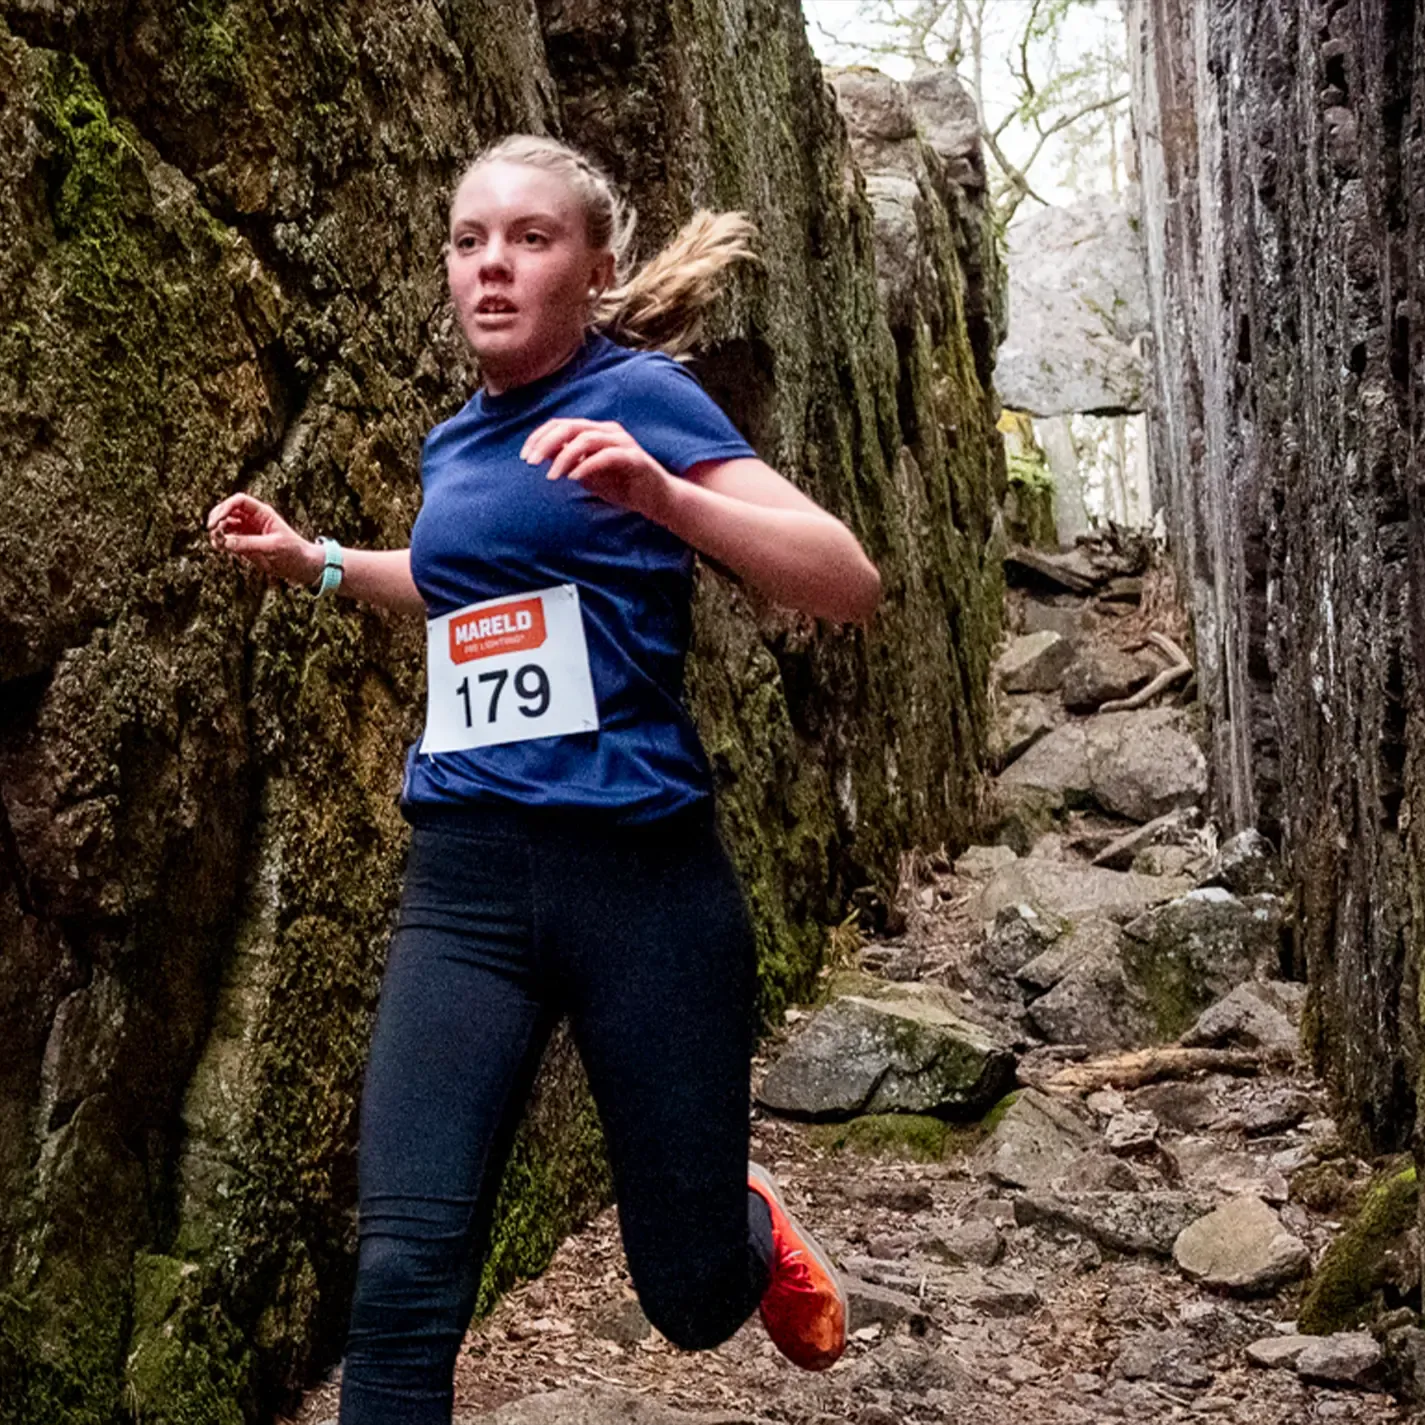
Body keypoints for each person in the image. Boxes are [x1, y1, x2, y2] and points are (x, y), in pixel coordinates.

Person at [207, 134, 881, 1425]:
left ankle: (738, 1225)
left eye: (531, 239)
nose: (493, 268)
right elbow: (466, 591)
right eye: (470, 243)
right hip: (464, 886)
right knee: (402, 1277)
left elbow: (845, 580)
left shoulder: (644, 399)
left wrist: (665, 495)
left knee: (685, 1294)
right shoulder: (456, 440)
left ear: (595, 266)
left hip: (644, 886)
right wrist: (324, 564)